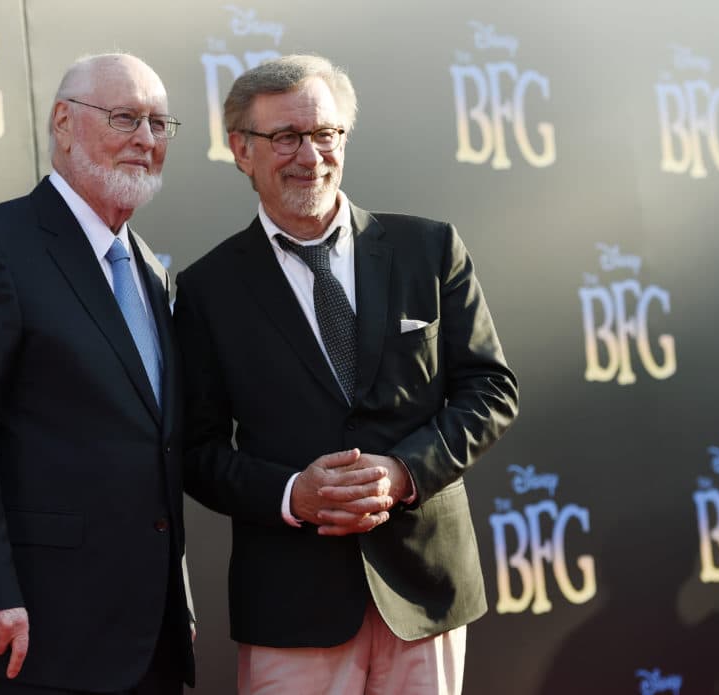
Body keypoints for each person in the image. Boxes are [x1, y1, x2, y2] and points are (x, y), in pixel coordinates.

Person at [173, 54, 519, 695]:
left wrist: (403, 472)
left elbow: (491, 391)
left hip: (425, 596)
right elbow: (196, 451)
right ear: (241, 151)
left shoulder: (430, 249)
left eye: (325, 133)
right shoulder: (206, 290)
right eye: (285, 138)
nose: (309, 156)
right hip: (291, 604)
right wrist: (290, 495)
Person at [0, 53, 194, 694]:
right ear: (64, 123)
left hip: (147, 640)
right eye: (125, 118)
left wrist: (176, 599)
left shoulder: (149, 267)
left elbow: (154, 446)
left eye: (159, 124)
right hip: (33, 636)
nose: (146, 141)